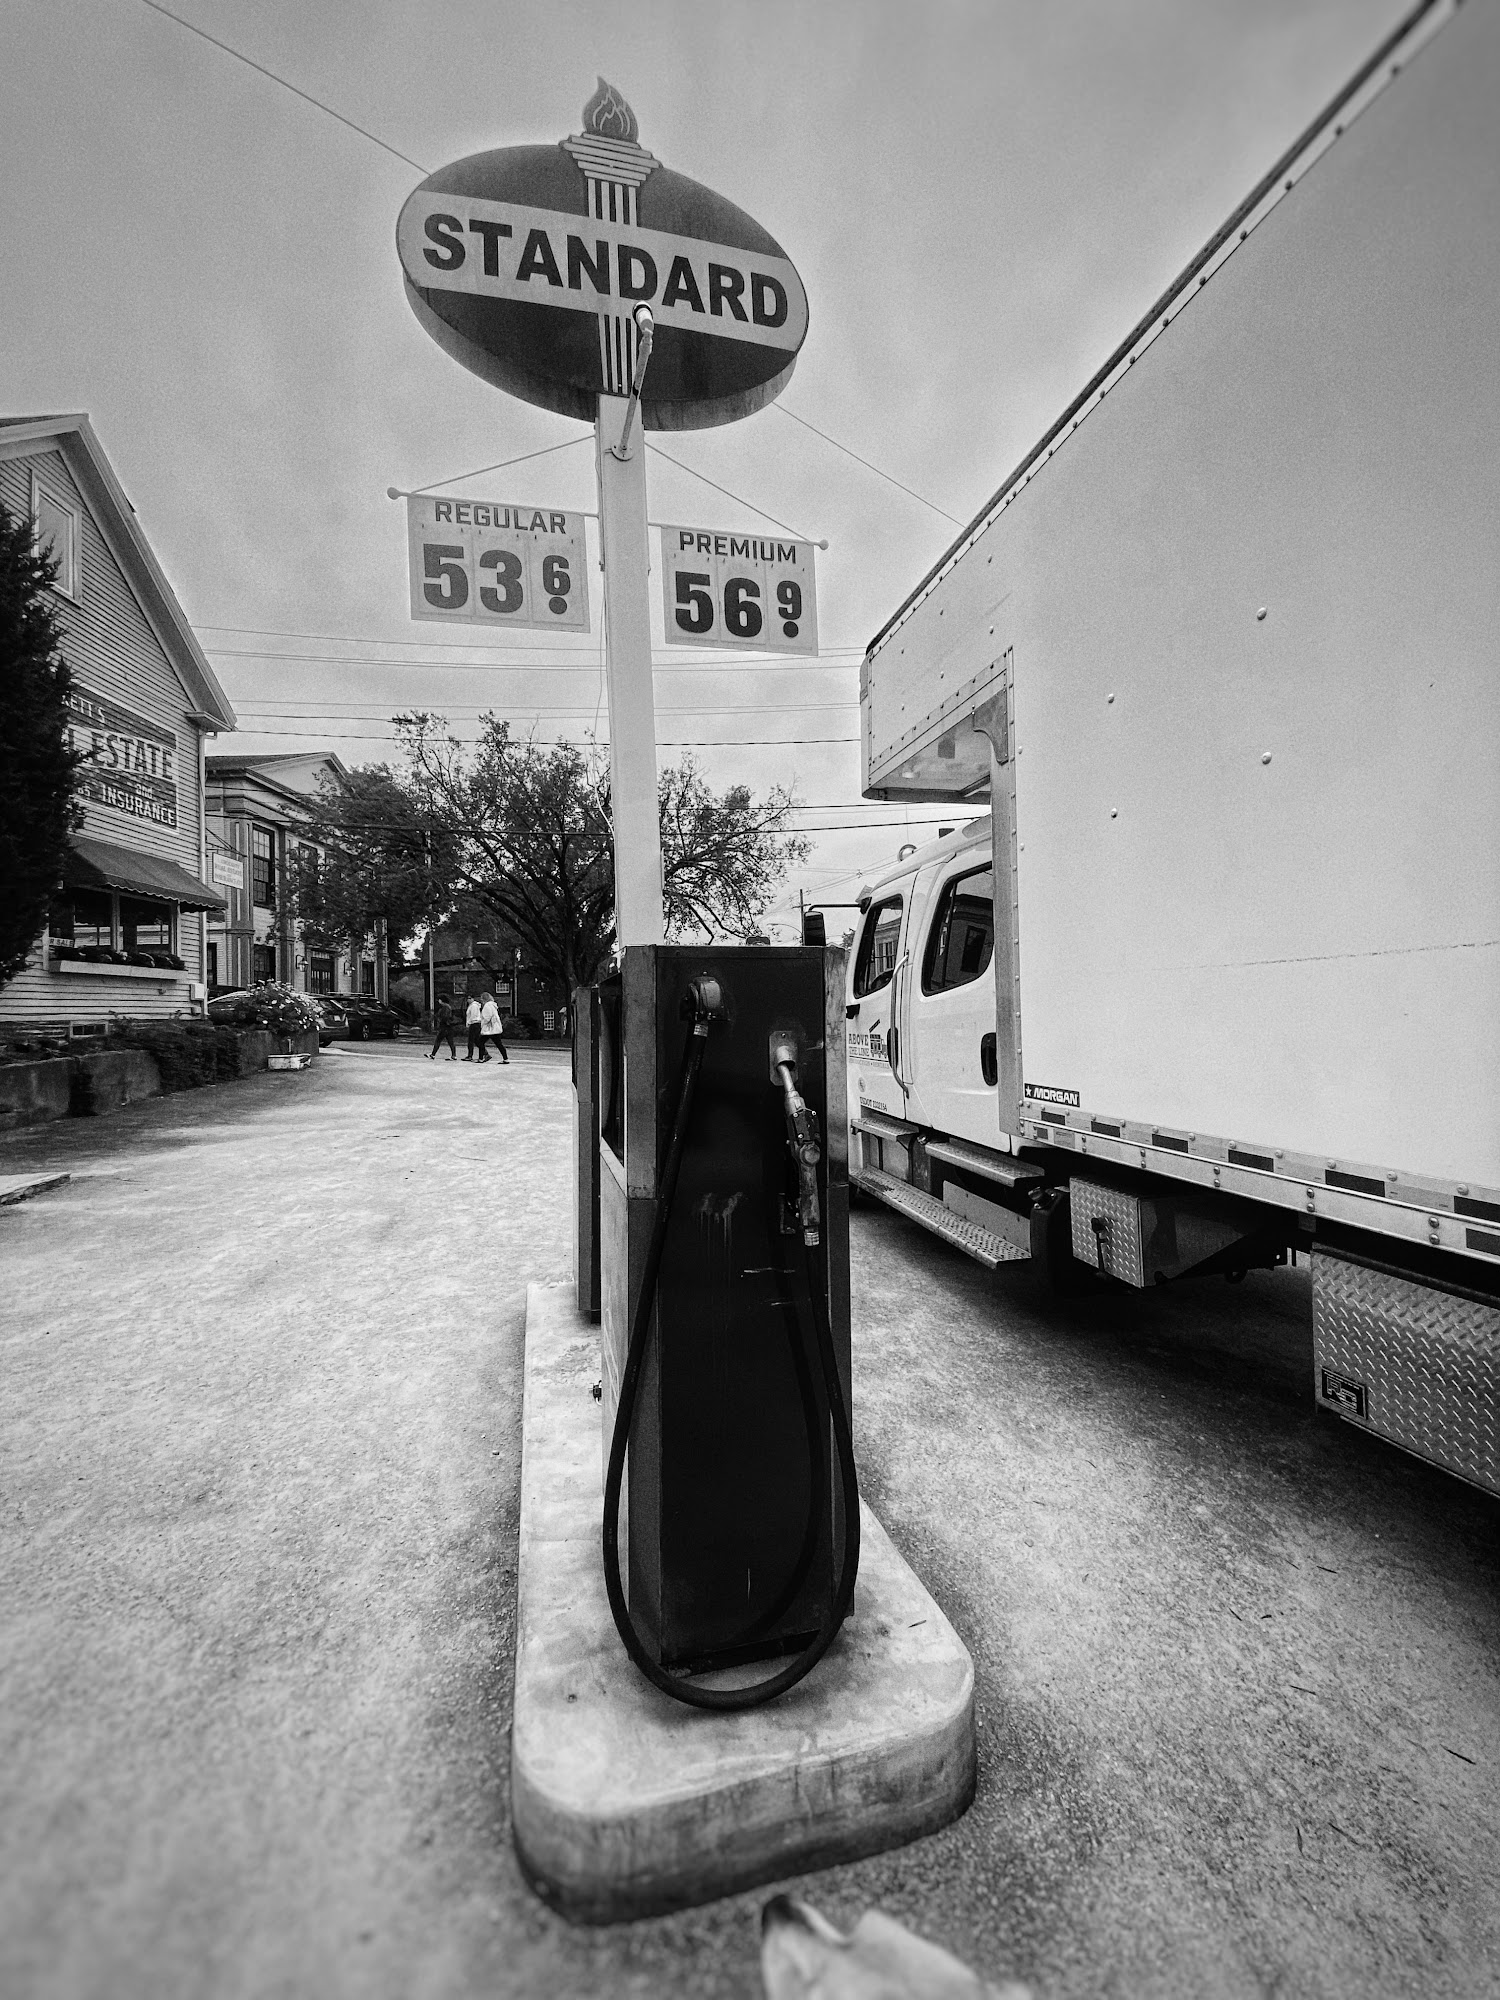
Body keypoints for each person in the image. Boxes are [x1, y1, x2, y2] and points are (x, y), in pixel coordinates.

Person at [478, 989, 509, 1063]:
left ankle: (481, 1058)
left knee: (480, 1042)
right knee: (499, 1044)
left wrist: (482, 1024)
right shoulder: (493, 1006)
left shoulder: (487, 1006)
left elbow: (487, 1017)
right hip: (495, 1028)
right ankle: (505, 1058)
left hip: (489, 1028)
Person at [428, 993, 458, 1061]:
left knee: (438, 1040)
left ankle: (433, 1054)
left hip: (444, 1026)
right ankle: (454, 1055)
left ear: (441, 1000)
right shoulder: (448, 1007)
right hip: (449, 1026)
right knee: (450, 1041)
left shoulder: (445, 1007)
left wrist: (441, 1020)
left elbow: (444, 1016)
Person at [464, 993, 483, 1061]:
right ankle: (484, 1053)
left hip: (475, 1023)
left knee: (472, 1040)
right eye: (467, 998)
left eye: (470, 998)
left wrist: (469, 1023)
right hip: (473, 1023)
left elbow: (473, 1016)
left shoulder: (474, 1006)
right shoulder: (471, 1006)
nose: (468, 1000)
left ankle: (470, 1055)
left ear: (473, 998)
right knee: (475, 1040)